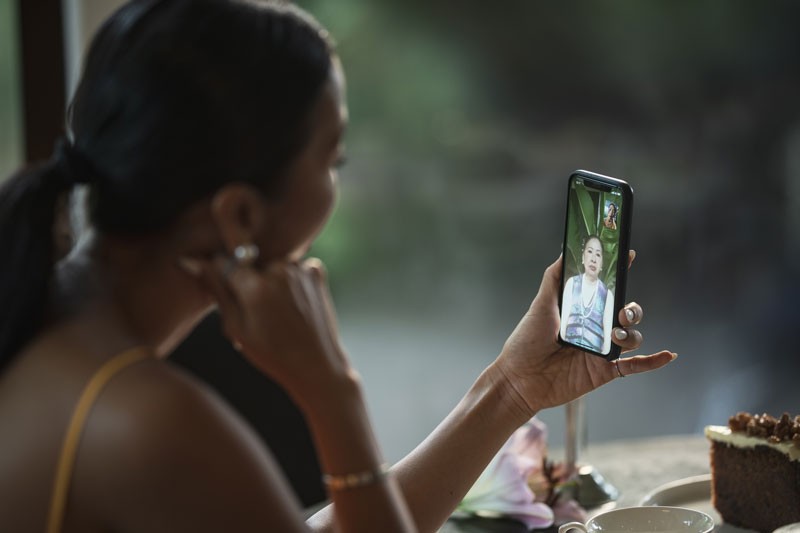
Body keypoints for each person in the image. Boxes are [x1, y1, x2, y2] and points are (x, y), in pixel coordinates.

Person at [0, 1, 676, 531]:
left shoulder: (48, 326)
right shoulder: (147, 424)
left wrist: (512, 389)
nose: (335, 183)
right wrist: (334, 396)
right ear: (239, 214)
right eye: (333, 160)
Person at [560, 235, 614, 354]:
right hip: (567, 353)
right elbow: (561, 328)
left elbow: (607, 345)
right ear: (583, 257)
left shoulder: (607, 296)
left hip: (593, 359)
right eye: (590, 252)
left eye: (598, 255)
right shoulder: (572, 284)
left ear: (602, 264)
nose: (593, 259)